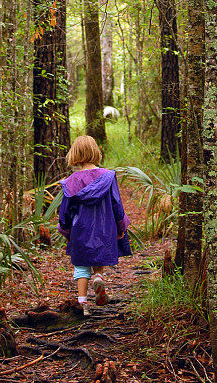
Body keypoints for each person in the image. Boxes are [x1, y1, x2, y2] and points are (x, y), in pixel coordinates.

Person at [58, 135, 131, 316]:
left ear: (74, 154)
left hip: (80, 229)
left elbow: (65, 210)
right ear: (96, 152)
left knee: (81, 266)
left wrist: (65, 230)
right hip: (104, 227)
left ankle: (82, 304)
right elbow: (116, 204)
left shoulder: (71, 181)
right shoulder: (108, 176)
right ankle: (98, 276)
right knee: (99, 256)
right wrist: (121, 226)